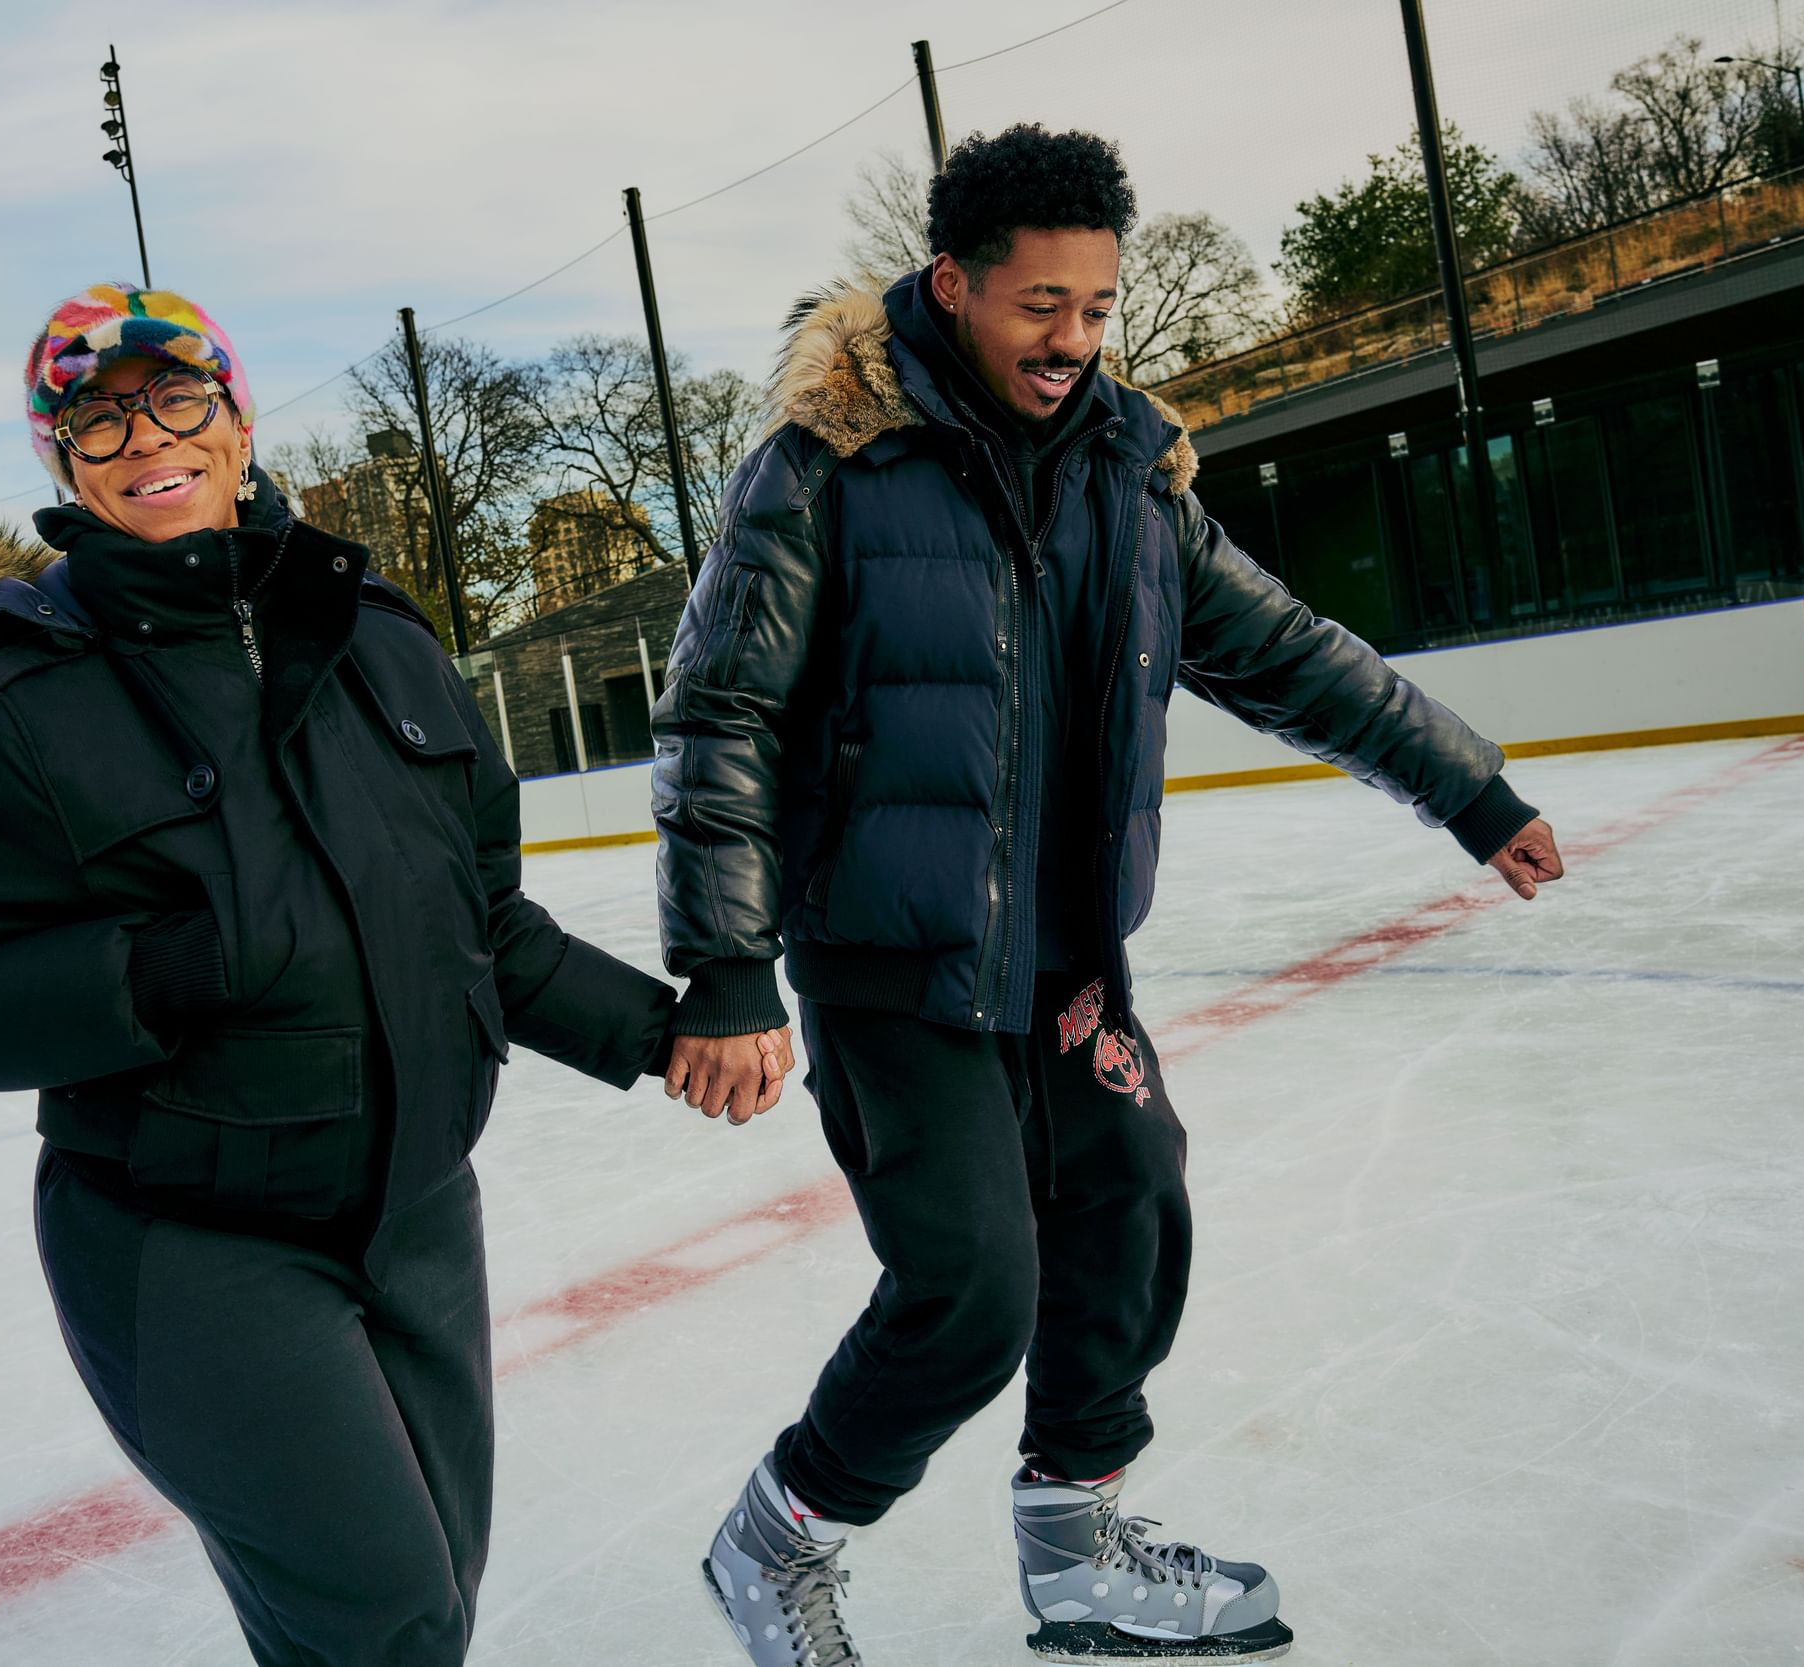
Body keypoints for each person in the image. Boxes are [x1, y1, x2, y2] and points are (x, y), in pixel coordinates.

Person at [652, 127, 1565, 1666]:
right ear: (951, 286)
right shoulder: (822, 467)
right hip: (895, 962)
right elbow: (719, 713)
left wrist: (1463, 786)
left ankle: (1076, 1552)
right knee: (970, 1290)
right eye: (1040, 307)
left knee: (1131, 1223)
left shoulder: (1132, 477)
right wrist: (729, 967)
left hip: (1070, 962)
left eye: (1098, 307)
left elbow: (1282, 650)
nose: (1076, 340)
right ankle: (775, 1540)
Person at [0, 284, 788, 1667]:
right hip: (189, 1249)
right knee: (386, 1624)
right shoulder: (6, 713)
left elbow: (486, 927)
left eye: (178, 399)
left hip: (416, 1216)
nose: (144, 438)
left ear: (234, 423)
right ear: (58, 460)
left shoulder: (384, 644)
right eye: (94, 419)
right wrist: (157, 971)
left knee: (421, 1613)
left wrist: (664, 1036)